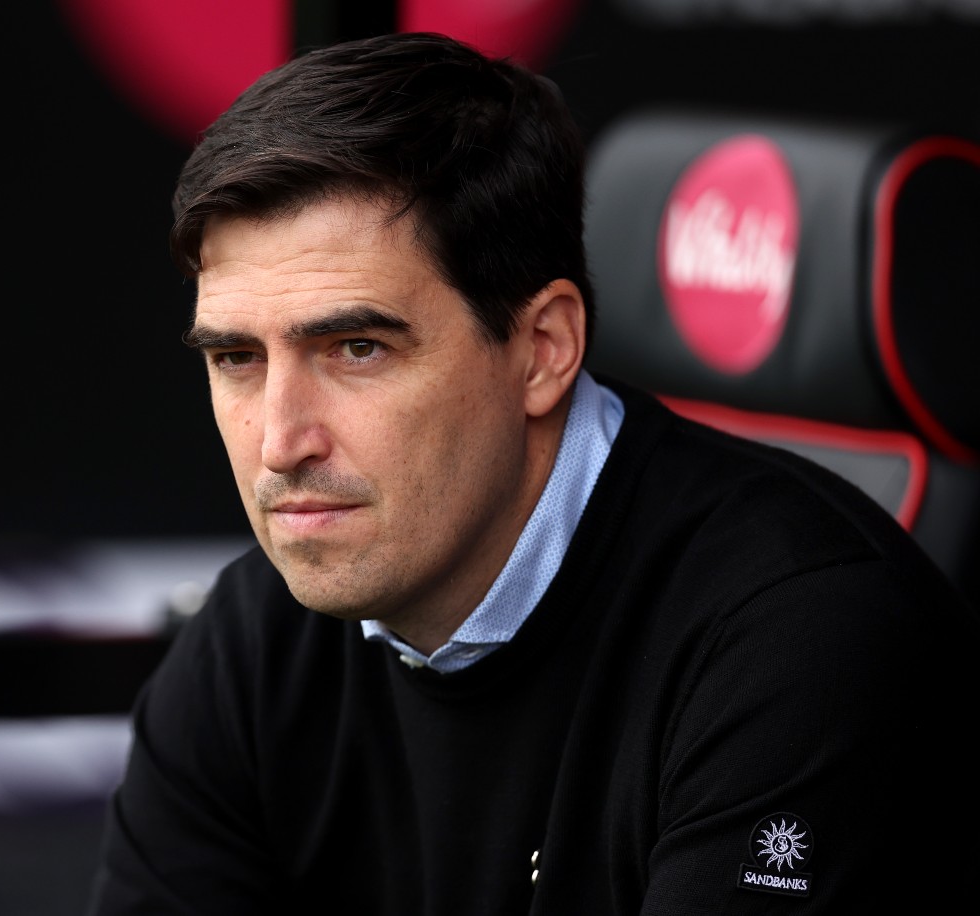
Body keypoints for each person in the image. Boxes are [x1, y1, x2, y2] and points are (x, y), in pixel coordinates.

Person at [86, 31, 980, 914]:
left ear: (544, 350)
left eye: (356, 347)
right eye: (237, 358)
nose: (281, 442)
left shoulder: (799, 642)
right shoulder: (254, 642)